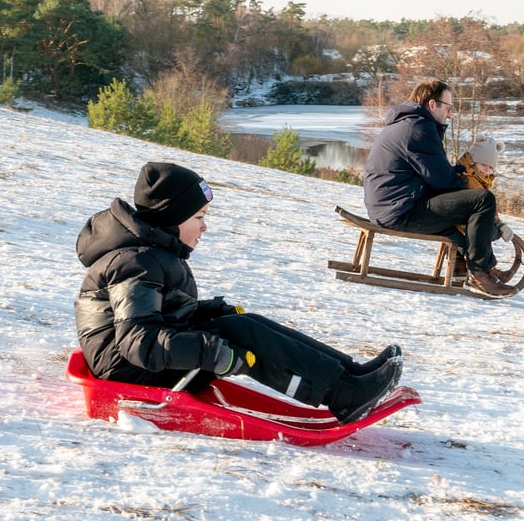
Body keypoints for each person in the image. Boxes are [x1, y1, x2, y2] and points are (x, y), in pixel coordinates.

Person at [74, 162, 403, 424]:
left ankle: (350, 375)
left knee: (244, 323)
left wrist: (207, 312)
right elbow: (137, 342)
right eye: (199, 217)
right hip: (130, 372)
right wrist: (207, 352)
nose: (205, 226)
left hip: (143, 360)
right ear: (172, 219)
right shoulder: (137, 262)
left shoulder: (152, 253)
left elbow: (160, 314)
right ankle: (343, 395)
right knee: (242, 334)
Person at [363, 79, 517, 297]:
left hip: (391, 205)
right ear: (432, 104)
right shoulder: (418, 129)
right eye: (448, 108)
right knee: (483, 200)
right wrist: (471, 195)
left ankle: (462, 269)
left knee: (463, 212)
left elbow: (435, 176)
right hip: (399, 210)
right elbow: (443, 180)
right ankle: (480, 274)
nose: (450, 115)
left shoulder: (409, 123)